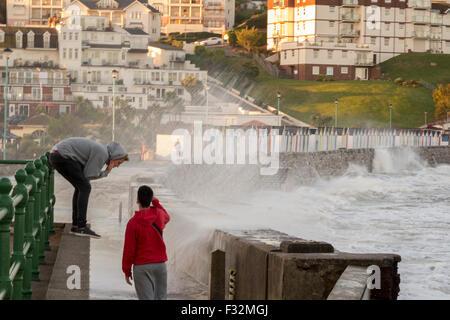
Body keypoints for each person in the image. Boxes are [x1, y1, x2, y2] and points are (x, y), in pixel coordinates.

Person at [48, 137, 128, 238]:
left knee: (81, 187)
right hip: (62, 157)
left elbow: (86, 175)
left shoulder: (102, 151)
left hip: (57, 155)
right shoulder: (102, 153)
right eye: (119, 162)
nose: (117, 166)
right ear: (114, 157)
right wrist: (107, 171)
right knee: (85, 187)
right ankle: (81, 227)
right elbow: (89, 175)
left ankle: (77, 226)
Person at [122, 185, 170, 300]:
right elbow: (167, 217)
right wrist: (156, 202)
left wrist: (127, 270)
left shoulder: (133, 223)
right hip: (160, 265)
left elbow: (129, 250)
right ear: (150, 199)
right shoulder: (159, 214)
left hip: (142, 267)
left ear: (137, 200)